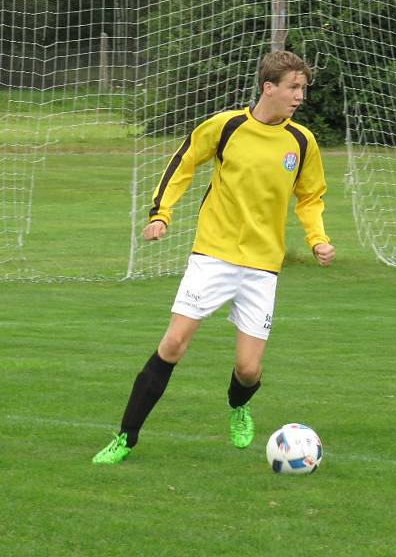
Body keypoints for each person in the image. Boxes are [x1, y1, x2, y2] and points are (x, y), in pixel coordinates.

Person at [93, 50, 335, 464]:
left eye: (303, 89)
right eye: (294, 87)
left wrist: (317, 239)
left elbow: (310, 195)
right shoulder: (226, 126)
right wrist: (161, 214)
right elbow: (182, 163)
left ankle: (238, 406)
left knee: (248, 371)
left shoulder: (301, 141)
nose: (300, 96)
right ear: (268, 87)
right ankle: (125, 438)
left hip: (262, 268)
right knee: (172, 344)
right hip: (214, 255)